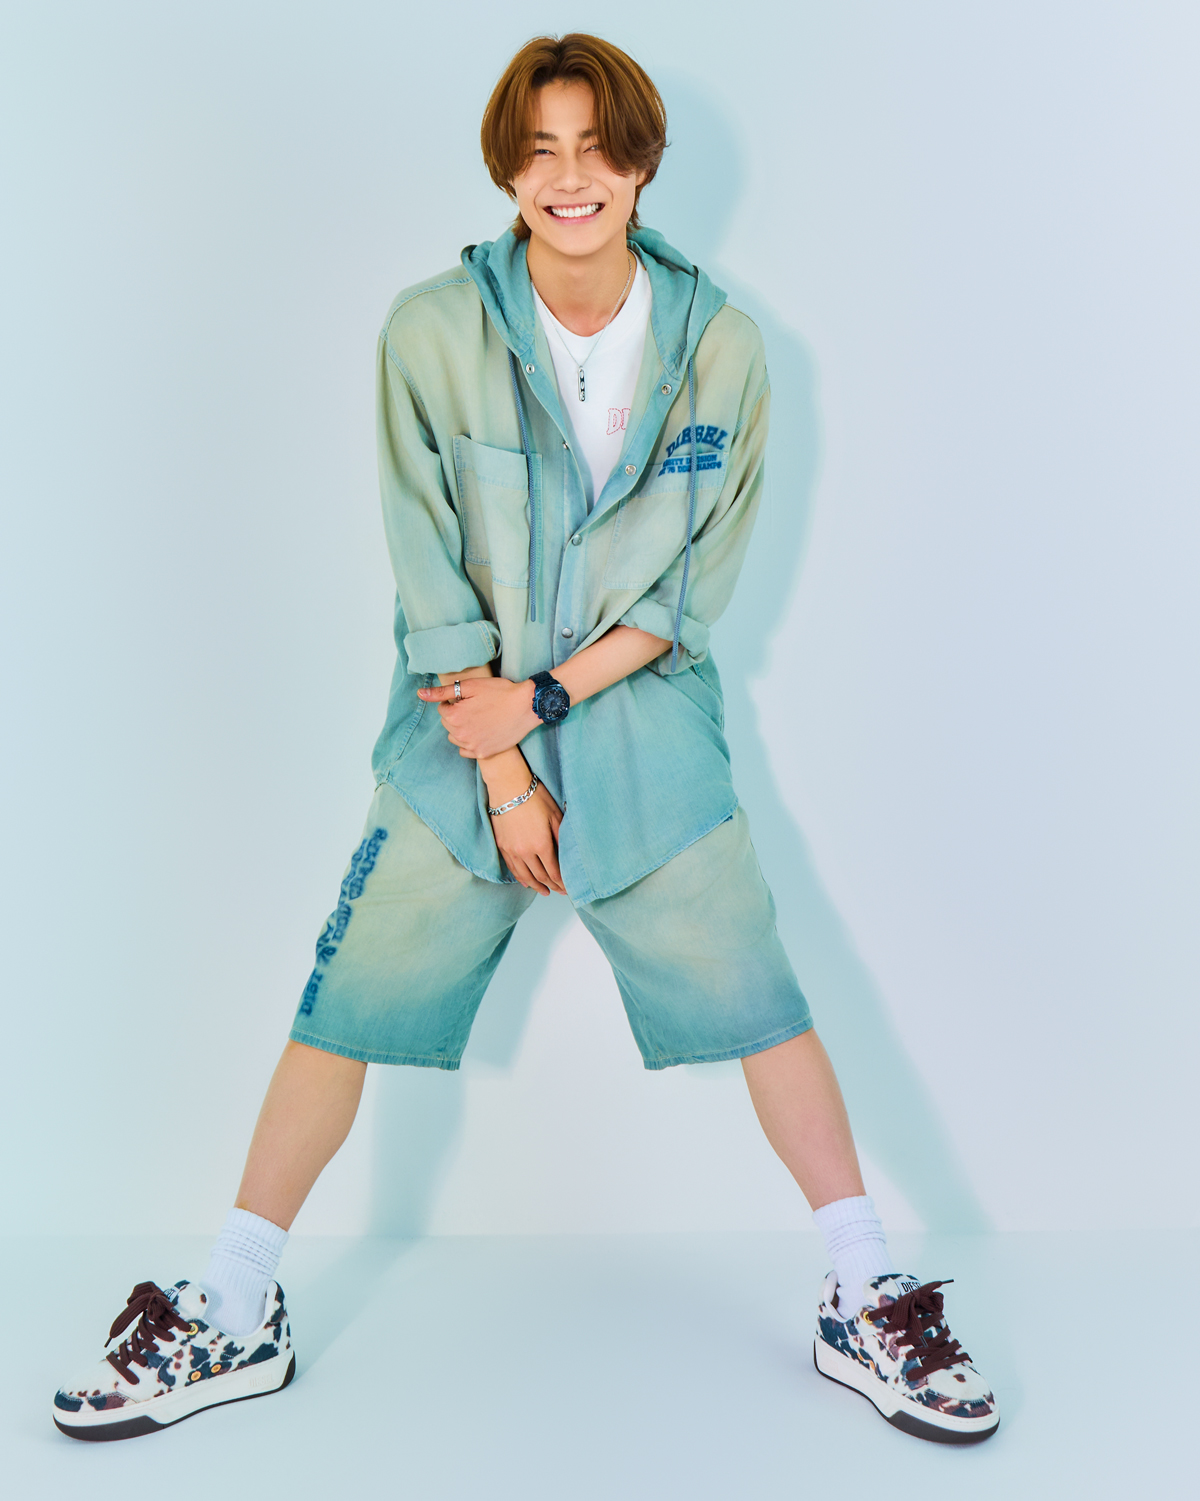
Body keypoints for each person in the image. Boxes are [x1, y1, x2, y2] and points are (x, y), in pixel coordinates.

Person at [52, 33, 997, 1446]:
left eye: (598, 149)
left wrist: (545, 705)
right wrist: (499, 761)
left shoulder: (725, 347)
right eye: (542, 149)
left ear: (642, 165)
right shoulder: (429, 332)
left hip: (639, 721)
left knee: (764, 997)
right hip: (457, 728)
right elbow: (428, 573)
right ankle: (234, 1302)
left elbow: (688, 594)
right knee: (341, 1006)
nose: (572, 178)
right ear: (507, 168)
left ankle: (863, 1291)